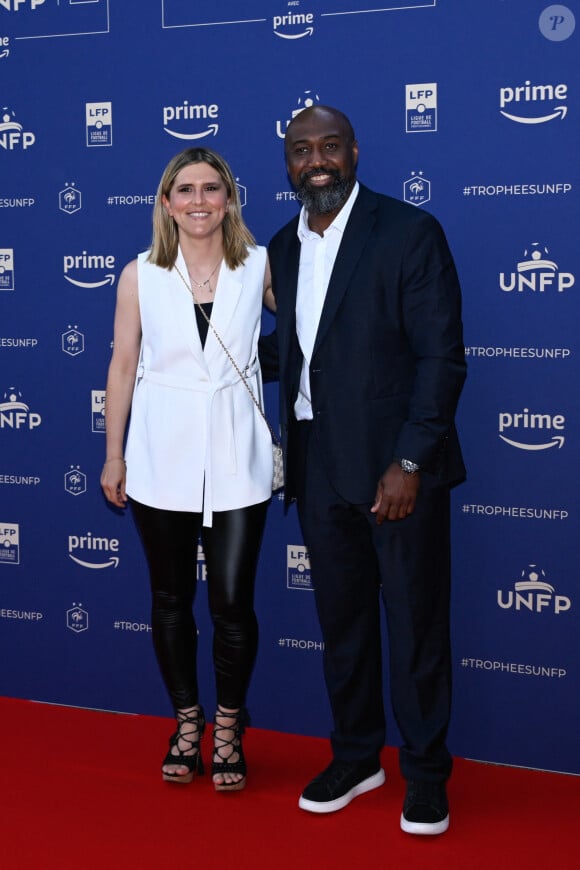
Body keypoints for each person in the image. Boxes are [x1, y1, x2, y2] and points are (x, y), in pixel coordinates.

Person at [260, 106, 466, 833]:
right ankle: (356, 755)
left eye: (330, 146)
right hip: (319, 469)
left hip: (394, 470)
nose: (316, 160)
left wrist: (410, 458)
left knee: (414, 626)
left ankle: (426, 774)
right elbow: (294, 353)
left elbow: (441, 359)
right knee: (341, 624)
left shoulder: (408, 232)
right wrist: (201, 352)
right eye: (300, 151)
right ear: (287, 164)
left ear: (355, 151)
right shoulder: (282, 246)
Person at [101, 146, 275, 791]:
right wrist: (114, 453)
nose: (199, 201)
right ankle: (187, 719)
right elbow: (123, 365)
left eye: (211, 188)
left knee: (232, 603)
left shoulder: (259, 266)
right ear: (166, 203)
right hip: (160, 455)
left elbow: (319, 329)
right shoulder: (140, 275)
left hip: (237, 456)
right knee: (171, 600)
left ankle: (228, 723)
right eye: (185, 190)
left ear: (229, 199)